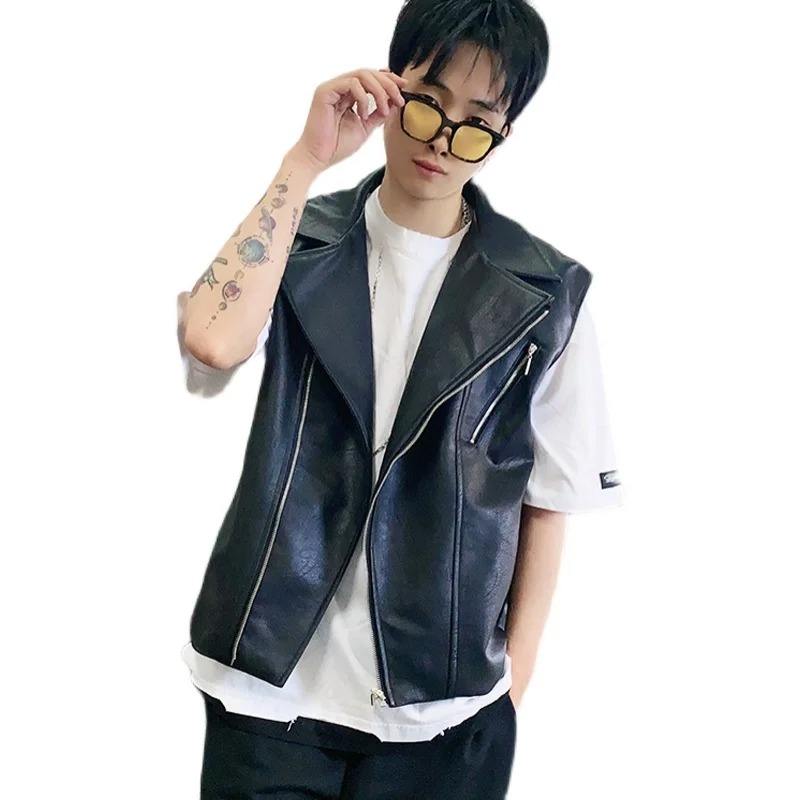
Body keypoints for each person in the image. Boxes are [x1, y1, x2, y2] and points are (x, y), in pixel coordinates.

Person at [177, 1, 623, 797]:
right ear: (391, 86)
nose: (442, 139)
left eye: (477, 122)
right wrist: (304, 161)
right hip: (265, 689)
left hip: (442, 715)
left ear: (504, 134)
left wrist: (507, 692)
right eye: (427, 101)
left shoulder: (547, 294)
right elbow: (211, 340)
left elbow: (549, 503)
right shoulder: (297, 238)